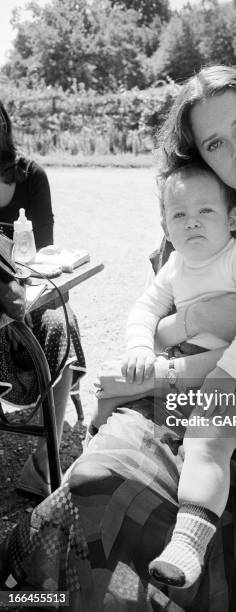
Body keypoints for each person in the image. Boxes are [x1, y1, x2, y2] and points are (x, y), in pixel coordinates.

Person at [0, 66, 236, 611]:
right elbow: (162, 313)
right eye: (216, 143)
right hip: (186, 385)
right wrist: (178, 334)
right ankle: (79, 594)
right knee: (94, 478)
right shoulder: (200, 205)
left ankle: (151, 596)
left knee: (133, 491)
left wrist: (165, 371)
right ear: (200, 154)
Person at [90, 162, 236, 588]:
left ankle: (189, 540)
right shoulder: (175, 265)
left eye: (206, 212)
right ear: (165, 225)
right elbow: (145, 309)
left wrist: (229, 371)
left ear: (232, 219)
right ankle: (101, 445)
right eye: (179, 215)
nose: (192, 222)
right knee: (119, 393)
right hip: (190, 370)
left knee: (205, 443)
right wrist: (140, 346)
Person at [0, 100, 86, 499]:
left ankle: (41, 463)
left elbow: (45, 249)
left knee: (62, 325)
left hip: (27, 285)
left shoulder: (31, 175)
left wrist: (21, 305)